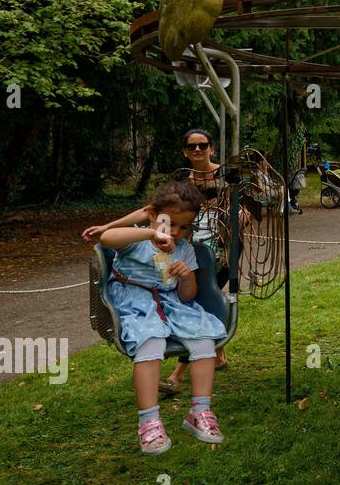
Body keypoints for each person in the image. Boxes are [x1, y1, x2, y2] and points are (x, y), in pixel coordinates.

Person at [82, 128, 233, 388]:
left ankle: (194, 364)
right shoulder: (182, 181)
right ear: (185, 151)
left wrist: (238, 217)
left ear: (211, 148)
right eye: (192, 146)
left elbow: (242, 205)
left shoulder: (226, 176)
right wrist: (109, 226)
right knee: (171, 290)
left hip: (210, 243)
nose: (197, 150)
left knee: (200, 298)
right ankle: (189, 364)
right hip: (178, 242)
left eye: (203, 145)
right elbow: (148, 211)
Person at [93, 180, 226, 454]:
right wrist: (149, 234)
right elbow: (106, 240)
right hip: (135, 301)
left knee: (203, 341)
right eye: (169, 224)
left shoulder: (185, 250)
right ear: (152, 215)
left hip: (172, 303)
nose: (176, 232)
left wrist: (187, 276)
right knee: (150, 341)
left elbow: (188, 296)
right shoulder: (136, 240)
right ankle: (150, 422)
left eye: (184, 227)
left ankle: (199, 412)